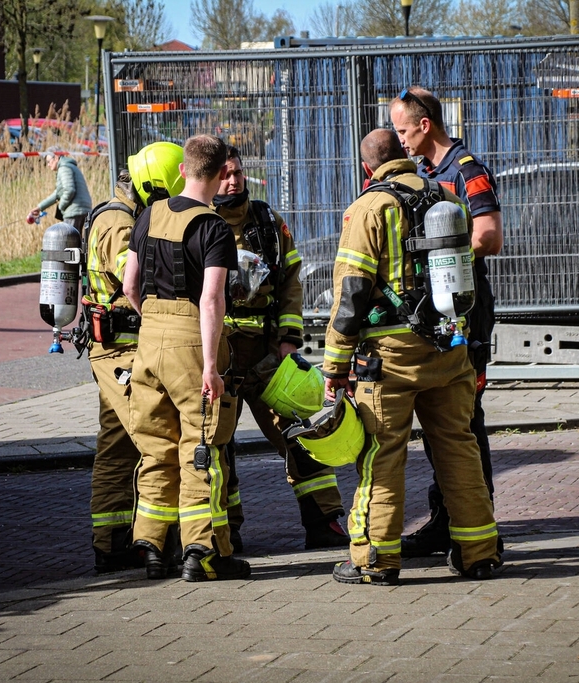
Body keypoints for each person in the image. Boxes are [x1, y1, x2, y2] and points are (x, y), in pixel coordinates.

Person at [321, 128, 500, 586]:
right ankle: (479, 553)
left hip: (390, 358)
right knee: (459, 448)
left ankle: (375, 560)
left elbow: (351, 293)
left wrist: (335, 366)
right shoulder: (447, 198)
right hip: (448, 347)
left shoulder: (369, 208)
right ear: (404, 154)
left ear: (367, 168)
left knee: (382, 454)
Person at [122, 134, 251, 582]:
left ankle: (153, 548)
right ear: (220, 174)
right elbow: (212, 299)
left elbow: (129, 286)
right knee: (201, 447)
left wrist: (154, 322)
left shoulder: (149, 214)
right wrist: (211, 367)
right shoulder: (214, 228)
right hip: (192, 343)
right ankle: (204, 553)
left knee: (156, 447)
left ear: (183, 170)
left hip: (148, 341)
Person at [213, 146, 348, 552]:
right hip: (219, 355)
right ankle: (226, 531)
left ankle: (324, 520)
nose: (233, 181)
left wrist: (289, 338)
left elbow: (291, 279)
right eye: (224, 175)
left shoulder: (268, 221)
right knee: (218, 445)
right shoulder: (200, 223)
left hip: (267, 354)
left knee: (300, 432)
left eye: (238, 173)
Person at [389, 86, 504, 558]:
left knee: (464, 419)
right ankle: (446, 519)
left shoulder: (467, 170)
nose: (399, 140)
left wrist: (440, 257)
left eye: (402, 130)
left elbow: (489, 237)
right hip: (436, 310)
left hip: (467, 311)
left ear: (425, 124)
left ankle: (477, 523)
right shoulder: (424, 174)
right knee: (441, 417)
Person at [83, 142, 185, 573]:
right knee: (156, 439)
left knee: (119, 445)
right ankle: (154, 542)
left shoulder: (124, 215)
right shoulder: (117, 222)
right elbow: (137, 279)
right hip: (121, 350)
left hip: (119, 349)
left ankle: (112, 542)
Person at [30, 147, 93, 234]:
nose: (48, 165)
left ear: (56, 157)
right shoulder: (69, 166)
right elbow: (57, 193)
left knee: (69, 241)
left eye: (48, 161)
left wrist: (61, 206)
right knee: (81, 240)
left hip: (73, 212)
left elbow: (69, 190)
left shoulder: (64, 168)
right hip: (83, 209)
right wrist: (40, 207)